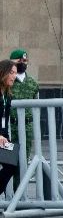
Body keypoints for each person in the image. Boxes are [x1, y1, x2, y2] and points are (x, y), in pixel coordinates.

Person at [9, 50, 38, 151]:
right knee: (9, 156)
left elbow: (36, 105)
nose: (22, 63)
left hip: (27, 126)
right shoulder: (6, 81)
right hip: (10, 126)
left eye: (24, 61)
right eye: (19, 61)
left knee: (25, 154)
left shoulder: (33, 83)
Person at [1, 59, 20, 194]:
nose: (14, 76)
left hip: (3, 137)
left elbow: (3, 118)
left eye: (15, 73)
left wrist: (4, 136)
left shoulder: (7, 95)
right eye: (12, 72)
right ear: (3, 72)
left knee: (13, 164)